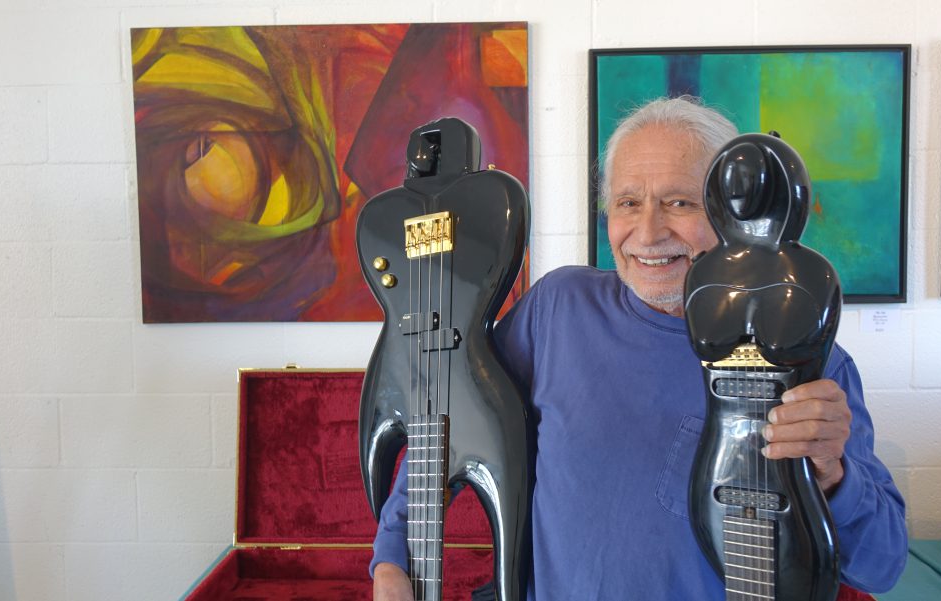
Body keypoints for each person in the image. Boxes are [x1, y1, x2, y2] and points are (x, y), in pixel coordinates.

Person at [371, 96, 908, 600]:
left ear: (729, 215)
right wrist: (393, 556)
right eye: (629, 202)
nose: (648, 233)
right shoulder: (558, 308)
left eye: (679, 202)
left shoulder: (804, 360)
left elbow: (881, 564)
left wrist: (832, 472)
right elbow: (449, 416)